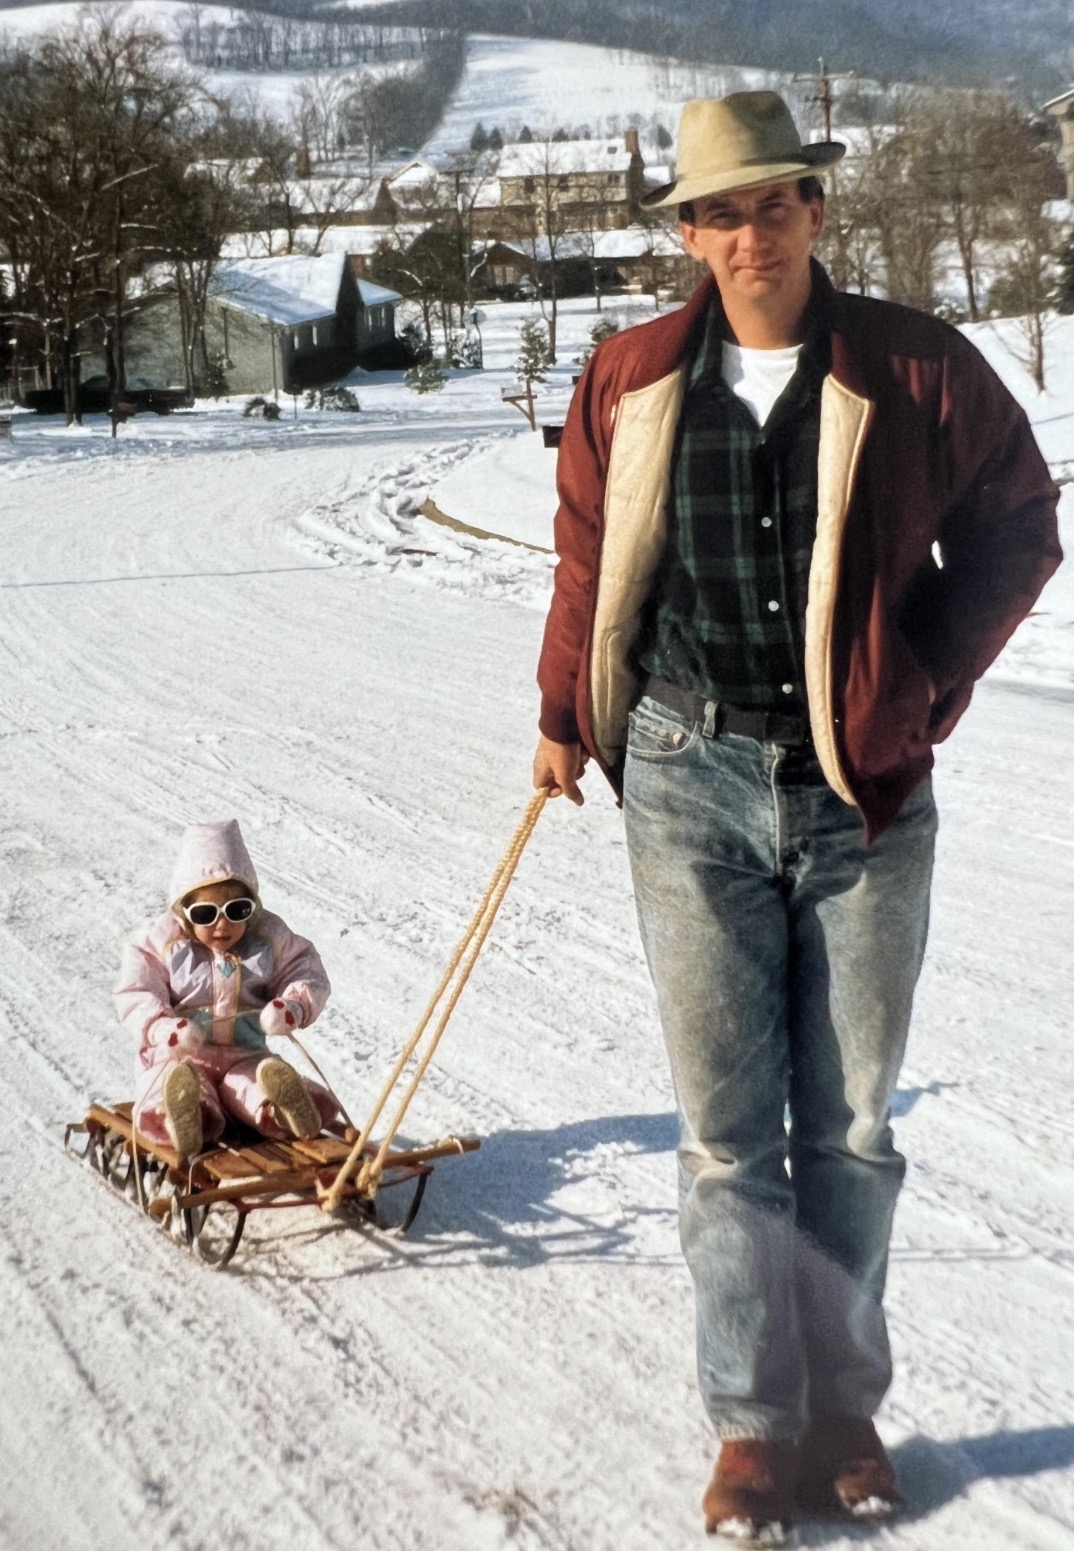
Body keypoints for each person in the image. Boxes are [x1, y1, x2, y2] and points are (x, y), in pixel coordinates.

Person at [533, 91, 1061, 1544]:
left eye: (774, 202)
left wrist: (922, 679)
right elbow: (590, 553)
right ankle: (753, 1428)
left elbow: (1021, 520)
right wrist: (559, 716)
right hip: (686, 776)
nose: (748, 232)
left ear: (815, 210)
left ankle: (842, 1409)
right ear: (688, 235)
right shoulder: (628, 376)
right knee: (721, 1134)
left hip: (861, 797)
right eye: (719, 211)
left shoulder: (912, 366)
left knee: (847, 1124)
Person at [115, 819, 332, 1161]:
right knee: (171, 1081)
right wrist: (162, 1028)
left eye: (237, 910)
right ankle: (185, 1114)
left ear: (252, 906)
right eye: (205, 913)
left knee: (251, 1084)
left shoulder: (267, 937)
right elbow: (137, 991)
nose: (222, 924)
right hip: (181, 1055)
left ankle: (280, 1108)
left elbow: (304, 967)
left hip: (243, 1054)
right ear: (184, 911)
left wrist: (294, 1005)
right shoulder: (161, 941)